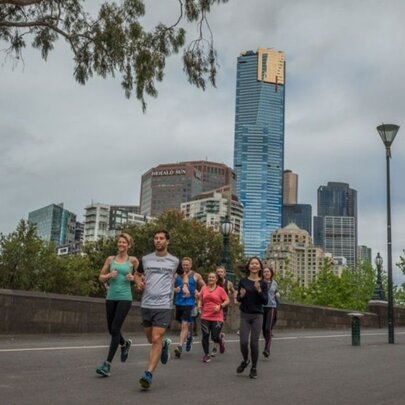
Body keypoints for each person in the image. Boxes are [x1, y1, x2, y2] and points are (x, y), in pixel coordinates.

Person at [134, 229, 190, 390]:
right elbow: (137, 274)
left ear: (167, 241)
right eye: (156, 238)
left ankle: (148, 374)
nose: (158, 240)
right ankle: (165, 344)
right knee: (151, 339)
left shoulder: (174, 260)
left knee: (156, 337)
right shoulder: (145, 259)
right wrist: (138, 282)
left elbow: (184, 274)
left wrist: (185, 284)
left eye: (161, 238)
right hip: (146, 304)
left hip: (164, 304)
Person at [96, 233, 139, 377]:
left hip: (125, 297)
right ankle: (125, 344)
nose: (121, 244)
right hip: (111, 297)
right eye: (120, 242)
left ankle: (107, 365)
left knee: (115, 328)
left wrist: (133, 278)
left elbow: (141, 279)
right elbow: (100, 277)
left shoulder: (133, 261)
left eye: (124, 242)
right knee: (111, 329)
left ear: (129, 245)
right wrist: (108, 276)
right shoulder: (110, 259)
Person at [236, 257, 268, 379]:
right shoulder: (243, 281)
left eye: (256, 264)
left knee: (254, 344)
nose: (254, 265)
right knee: (243, 342)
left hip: (257, 315)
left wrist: (259, 290)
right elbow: (238, 299)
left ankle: (254, 367)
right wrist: (241, 295)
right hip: (245, 315)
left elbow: (265, 301)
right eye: (252, 263)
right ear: (249, 266)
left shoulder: (263, 283)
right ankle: (245, 360)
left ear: (260, 267)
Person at [173, 257, 205, 358]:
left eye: (187, 265)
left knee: (184, 325)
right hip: (178, 303)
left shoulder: (196, 275)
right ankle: (189, 337)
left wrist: (198, 293)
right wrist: (175, 289)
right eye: (183, 265)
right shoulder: (176, 274)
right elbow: (168, 286)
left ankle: (179, 347)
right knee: (180, 325)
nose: (185, 266)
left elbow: (205, 287)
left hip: (190, 303)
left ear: (191, 265)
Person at [198, 272, 230, 362]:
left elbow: (227, 300)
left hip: (217, 316)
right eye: (209, 277)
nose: (211, 279)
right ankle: (206, 355)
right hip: (205, 316)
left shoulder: (220, 290)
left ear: (216, 279)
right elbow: (200, 299)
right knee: (205, 335)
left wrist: (220, 306)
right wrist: (199, 305)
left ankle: (220, 341)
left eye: (213, 277)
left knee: (214, 337)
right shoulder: (204, 288)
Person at [211, 265, 238, 357]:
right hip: (213, 308)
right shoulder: (213, 282)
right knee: (213, 329)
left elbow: (234, 291)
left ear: (224, 273)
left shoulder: (228, 283)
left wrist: (234, 298)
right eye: (218, 272)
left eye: (221, 272)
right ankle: (221, 339)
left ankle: (215, 348)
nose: (220, 273)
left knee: (218, 328)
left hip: (223, 308)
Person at [262, 266, 278, 358]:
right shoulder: (260, 282)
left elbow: (275, 293)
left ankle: (267, 349)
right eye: (264, 272)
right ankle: (267, 341)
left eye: (268, 271)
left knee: (268, 328)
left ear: (271, 273)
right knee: (264, 329)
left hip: (271, 307)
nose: (266, 273)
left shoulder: (275, 283)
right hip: (261, 307)